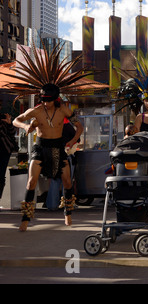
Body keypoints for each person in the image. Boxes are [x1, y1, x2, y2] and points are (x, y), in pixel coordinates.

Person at [0, 42, 100, 232]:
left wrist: (72, 141)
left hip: (58, 148)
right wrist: (26, 126)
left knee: (67, 182)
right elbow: (15, 121)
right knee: (31, 181)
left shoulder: (64, 110)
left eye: (48, 101)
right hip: (40, 147)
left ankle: (68, 213)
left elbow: (79, 126)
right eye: (43, 100)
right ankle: (26, 217)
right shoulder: (36, 110)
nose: (45, 104)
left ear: (55, 100)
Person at [0, 111, 18, 200]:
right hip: (5, 151)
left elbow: (12, 133)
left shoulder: (3, 121)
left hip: (4, 151)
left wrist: (9, 123)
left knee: (1, 177)